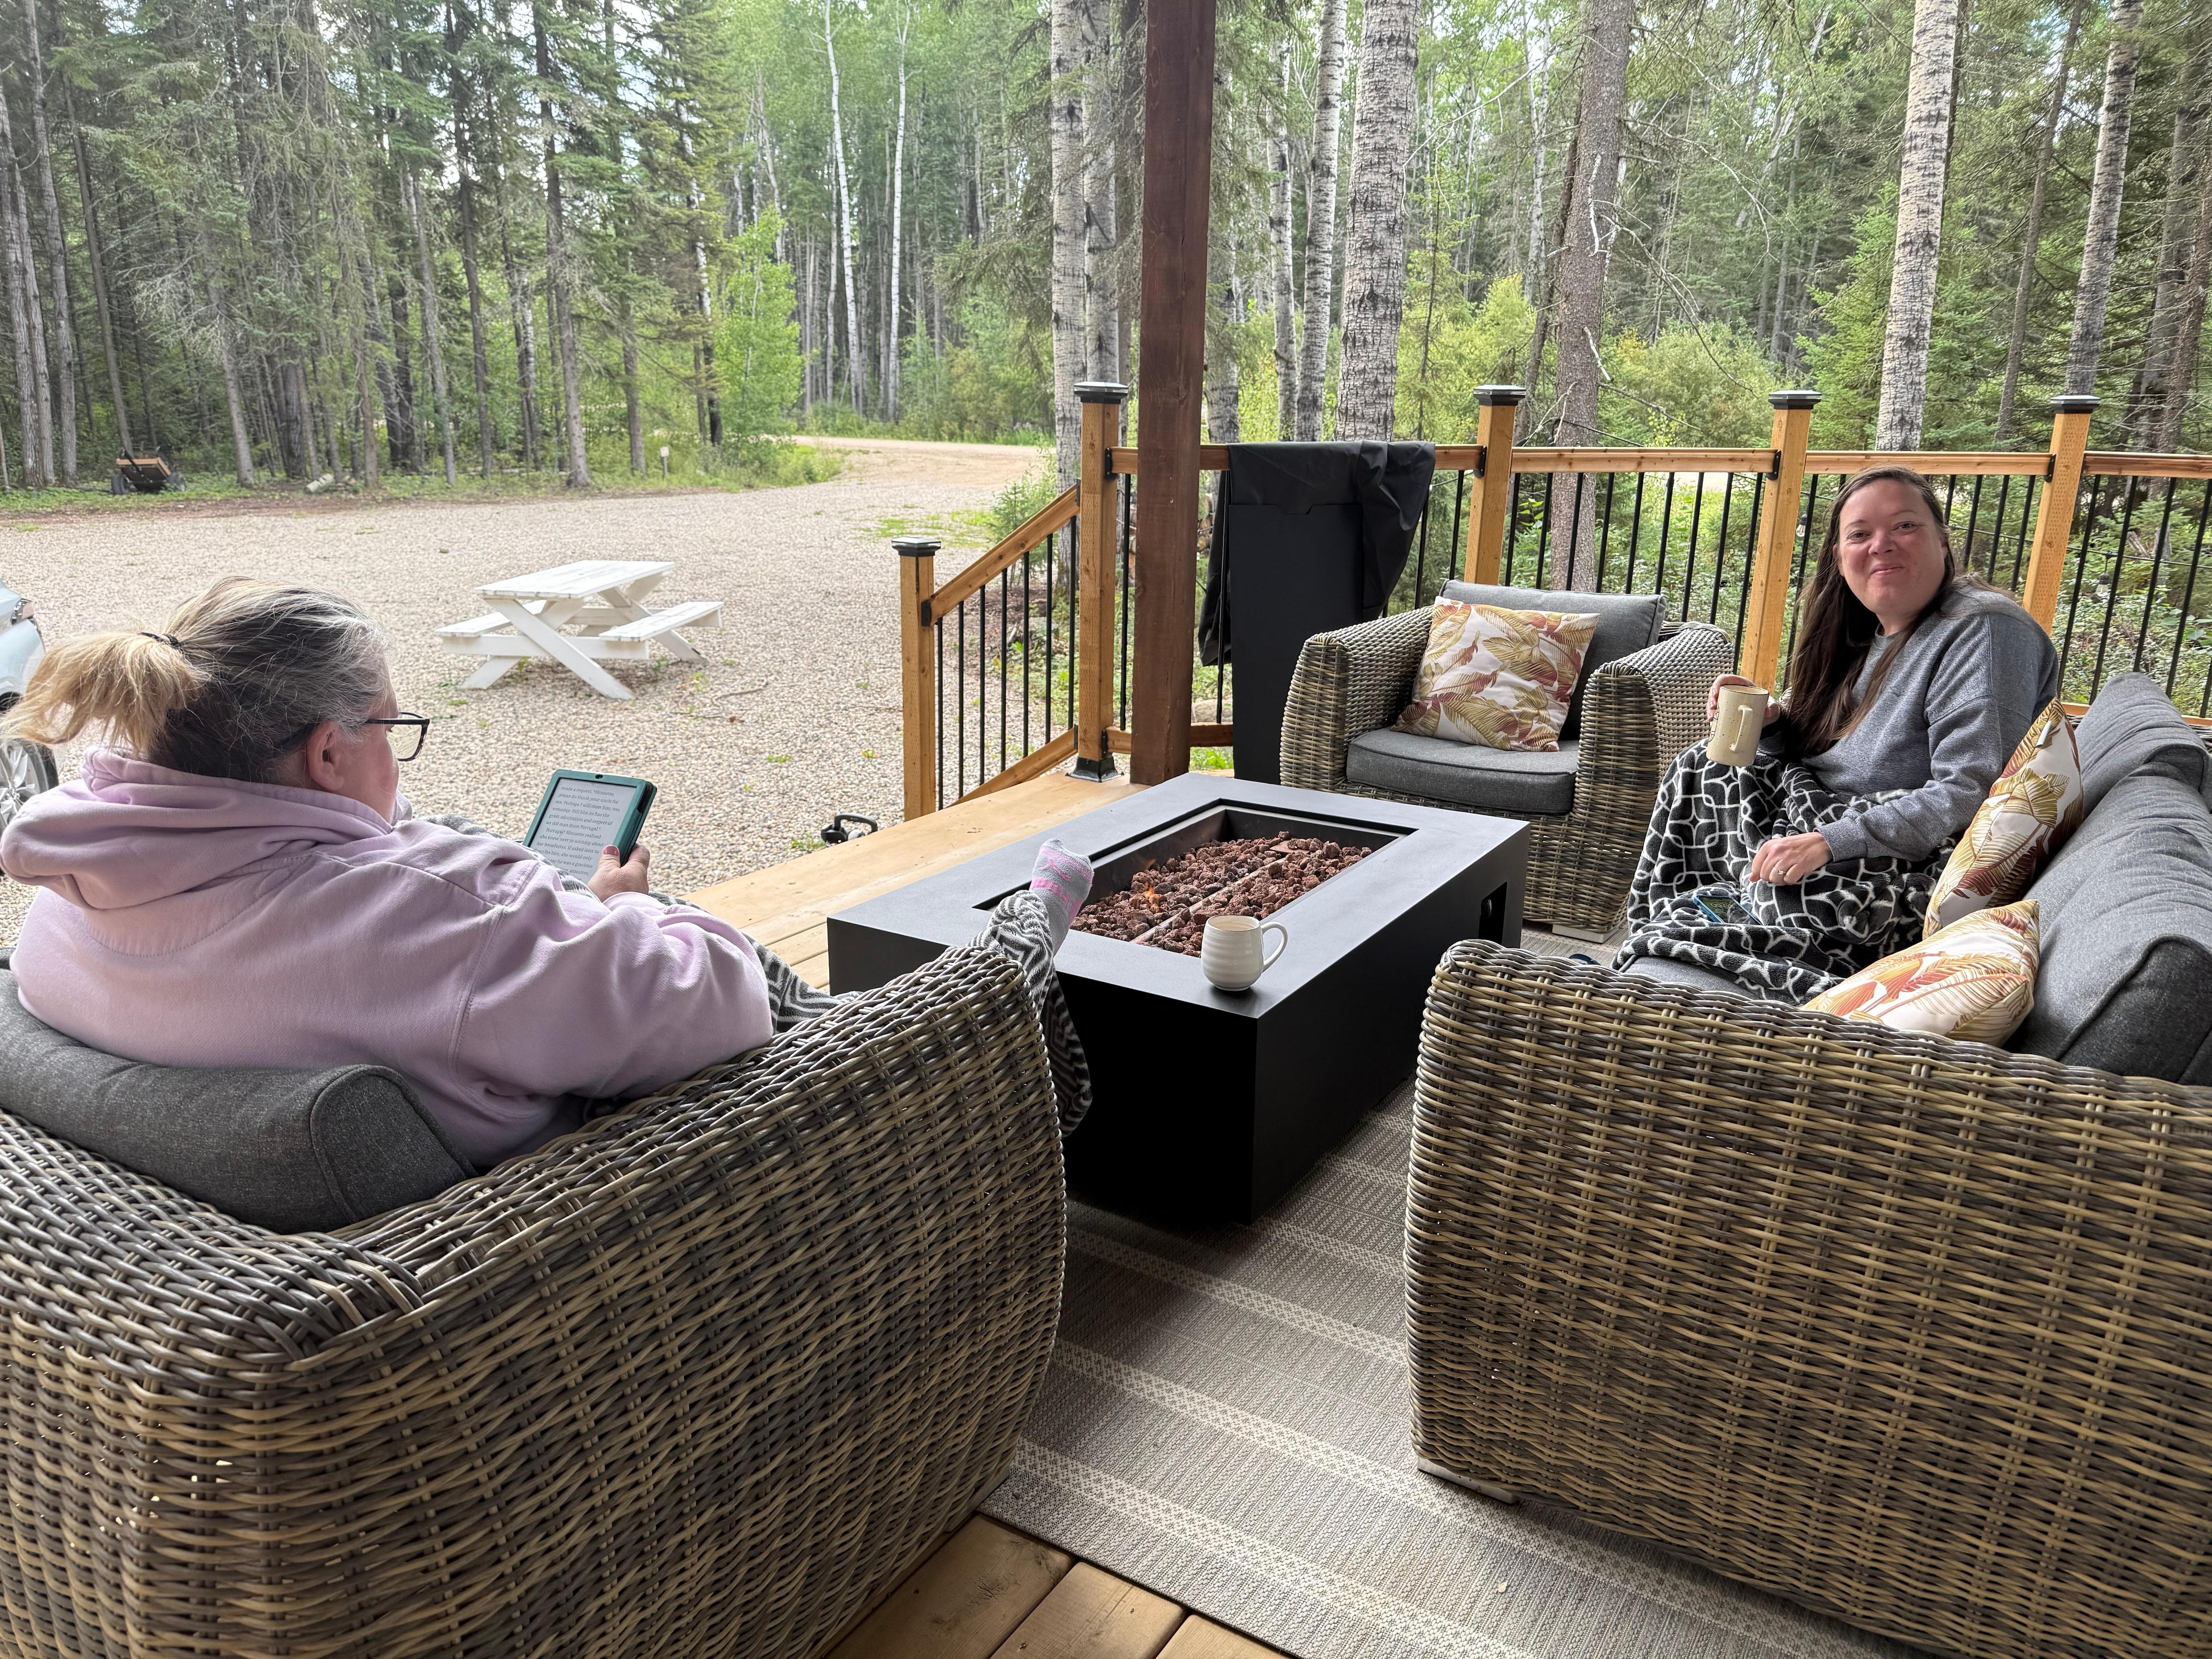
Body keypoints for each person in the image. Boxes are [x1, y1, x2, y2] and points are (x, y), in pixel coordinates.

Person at [0, 577, 1094, 1170]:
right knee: (805, 994)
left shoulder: (69, 895)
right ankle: (1011, 969)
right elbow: (720, 1005)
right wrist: (614, 911)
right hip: (596, 1209)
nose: (398, 748)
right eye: (393, 724)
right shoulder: (446, 916)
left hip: (244, 1248)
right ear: (328, 750)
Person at [1617, 465, 2059, 1000]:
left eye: (1903, 526)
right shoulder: (1870, 631)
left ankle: (1716, 925)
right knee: (1703, 768)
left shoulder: (1983, 629)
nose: (1881, 546)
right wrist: (1773, 726)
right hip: (1827, 810)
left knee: (1795, 893)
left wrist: (1830, 843)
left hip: (1904, 855)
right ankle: (1668, 935)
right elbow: (1838, 754)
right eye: (1859, 534)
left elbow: (1968, 789)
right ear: (1838, 557)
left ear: (1941, 542)